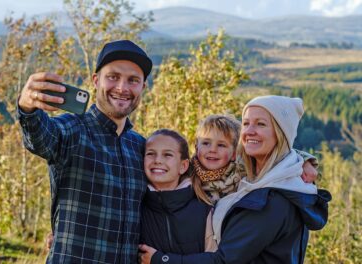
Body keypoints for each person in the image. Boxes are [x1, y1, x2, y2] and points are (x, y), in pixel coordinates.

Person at [139, 95, 331, 263]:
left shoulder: (271, 197)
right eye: (246, 123)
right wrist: (302, 159)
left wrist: (161, 260)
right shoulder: (253, 177)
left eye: (261, 124)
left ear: (280, 134)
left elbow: (224, 260)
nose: (250, 131)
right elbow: (164, 164)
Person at [17, 40, 152, 263]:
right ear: (96, 80)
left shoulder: (141, 147)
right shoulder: (73, 129)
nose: (122, 88)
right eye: (113, 77)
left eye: (133, 80)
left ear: (143, 88)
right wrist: (27, 107)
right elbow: (41, 137)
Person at [140, 129, 214, 262]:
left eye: (167, 155)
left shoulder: (204, 208)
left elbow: (214, 259)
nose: (157, 160)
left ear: (183, 166)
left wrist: (162, 260)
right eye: (151, 154)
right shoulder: (136, 206)